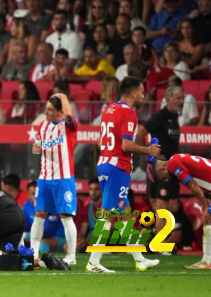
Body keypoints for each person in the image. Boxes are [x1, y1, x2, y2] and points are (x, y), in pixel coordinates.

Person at [86, 76, 161, 273]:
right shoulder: (129, 113)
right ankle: (93, 262)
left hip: (104, 163)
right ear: (134, 93)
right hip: (117, 166)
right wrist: (148, 150)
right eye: (142, 91)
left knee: (125, 215)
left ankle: (139, 259)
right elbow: (126, 145)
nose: (144, 95)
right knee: (108, 215)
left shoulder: (108, 109)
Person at [148, 154, 211, 269]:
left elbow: (192, 185)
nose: (166, 180)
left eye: (163, 177)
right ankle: (210, 261)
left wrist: (205, 204)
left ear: (163, 169)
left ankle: (206, 262)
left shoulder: (173, 165)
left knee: (209, 220)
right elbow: (203, 176)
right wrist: (206, 200)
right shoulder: (176, 159)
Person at [29, 93, 78, 265]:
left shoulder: (68, 125)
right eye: (46, 109)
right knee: (39, 214)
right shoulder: (43, 126)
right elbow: (40, 144)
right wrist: (38, 146)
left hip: (63, 178)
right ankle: (33, 253)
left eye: (50, 110)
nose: (46, 112)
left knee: (65, 216)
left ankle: (71, 256)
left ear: (59, 112)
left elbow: (71, 115)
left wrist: (64, 97)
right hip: (44, 178)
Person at [137, 84, 183, 237]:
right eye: (178, 98)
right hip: (161, 168)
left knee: (172, 206)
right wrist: (146, 154)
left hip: (173, 167)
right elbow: (141, 131)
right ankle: (160, 243)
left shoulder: (174, 116)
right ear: (168, 100)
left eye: (182, 98)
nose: (181, 101)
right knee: (161, 207)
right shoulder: (160, 116)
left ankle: (153, 238)